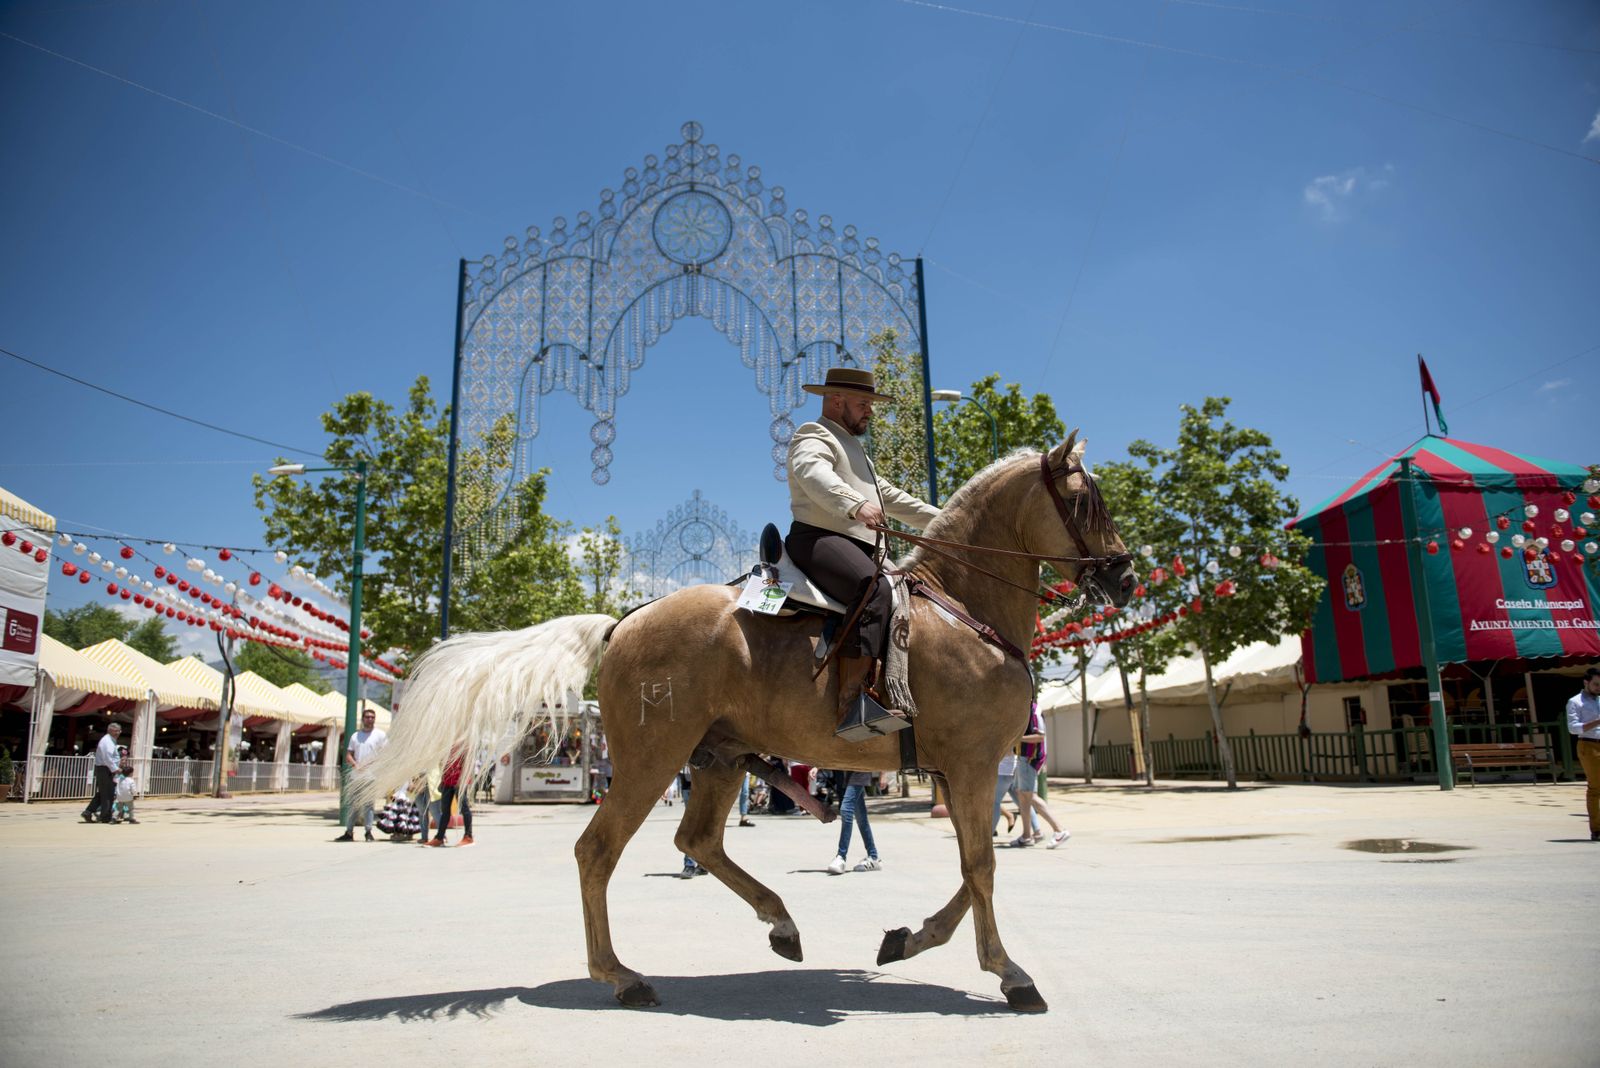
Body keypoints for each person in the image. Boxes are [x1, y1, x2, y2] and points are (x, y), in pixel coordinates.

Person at [786, 366, 940, 737]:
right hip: (818, 539)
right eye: (864, 403)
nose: (870, 410)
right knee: (874, 589)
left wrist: (948, 521)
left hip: (855, 546)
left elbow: (890, 497)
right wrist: (854, 504)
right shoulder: (814, 434)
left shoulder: (855, 450)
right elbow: (811, 473)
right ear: (836, 401)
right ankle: (851, 706)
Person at [1012, 702, 1070, 849]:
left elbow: (1040, 736)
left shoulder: (1034, 711)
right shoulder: (1025, 709)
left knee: (1030, 796)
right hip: (1023, 757)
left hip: (1030, 758)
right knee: (1022, 795)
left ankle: (1059, 830)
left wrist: (1018, 738)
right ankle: (1026, 836)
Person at [333, 708, 387, 842]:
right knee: (353, 805)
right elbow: (348, 755)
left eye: (372, 717)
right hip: (356, 774)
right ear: (363, 719)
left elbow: (385, 754)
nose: (370, 719)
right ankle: (349, 831)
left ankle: (368, 831)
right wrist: (355, 764)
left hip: (371, 775)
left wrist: (372, 762)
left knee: (368, 805)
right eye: (367, 717)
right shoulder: (355, 736)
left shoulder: (380, 735)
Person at [1567, 667, 1600, 842]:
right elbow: (1573, 728)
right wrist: (1597, 721)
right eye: (1595, 684)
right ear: (1586, 682)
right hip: (1589, 744)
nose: (1598, 688)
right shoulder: (1575, 702)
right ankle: (1596, 829)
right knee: (1596, 787)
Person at [826, 770, 882, 874]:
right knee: (861, 817)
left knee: (846, 809)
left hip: (861, 771)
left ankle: (841, 856)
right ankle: (873, 856)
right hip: (850, 773)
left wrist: (883, 775)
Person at [426, 752, 474, 847]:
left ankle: (468, 836)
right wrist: (442, 779)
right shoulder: (448, 744)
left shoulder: (464, 743)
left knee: (464, 808)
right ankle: (439, 838)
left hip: (460, 781)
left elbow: (468, 762)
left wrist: (462, 779)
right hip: (447, 781)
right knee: (445, 811)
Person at [81, 722, 121, 825]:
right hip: (105, 768)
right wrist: (115, 769)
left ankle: (88, 811)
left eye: (119, 731)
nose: (118, 733)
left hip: (107, 768)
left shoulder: (111, 741)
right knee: (108, 794)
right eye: (116, 731)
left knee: (103, 792)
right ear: (110, 730)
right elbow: (107, 758)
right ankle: (105, 816)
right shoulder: (106, 741)